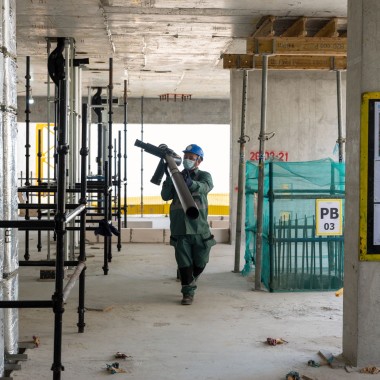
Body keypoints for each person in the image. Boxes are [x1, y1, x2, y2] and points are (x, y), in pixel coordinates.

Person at [161, 144, 216, 305]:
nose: (187, 160)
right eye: (185, 157)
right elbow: (165, 196)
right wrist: (169, 178)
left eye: (191, 158)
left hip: (199, 227)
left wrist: (190, 183)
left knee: (201, 261)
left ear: (199, 161)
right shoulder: (176, 176)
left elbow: (206, 187)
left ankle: (189, 279)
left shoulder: (205, 176)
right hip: (180, 227)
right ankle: (188, 293)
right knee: (184, 263)